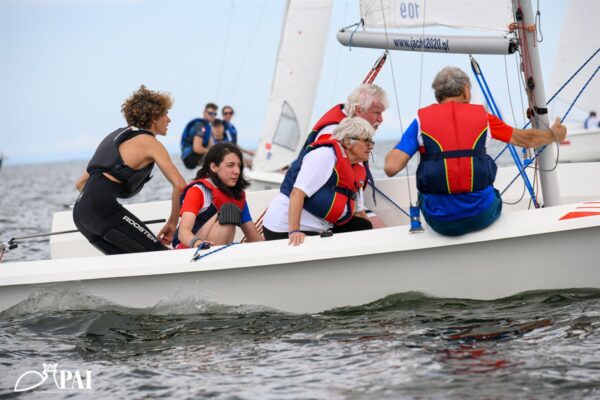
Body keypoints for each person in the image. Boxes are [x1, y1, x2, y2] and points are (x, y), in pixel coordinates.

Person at [384, 66, 567, 236]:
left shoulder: (420, 121)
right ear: (465, 90)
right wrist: (553, 135)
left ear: (438, 96)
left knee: (426, 192)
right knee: (489, 190)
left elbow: (391, 167)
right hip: (482, 215)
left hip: (441, 222)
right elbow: (526, 140)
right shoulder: (484, 118)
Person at [73, 85, 186, 254]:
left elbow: (80, 183)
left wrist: (99, 203)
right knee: (159, 253)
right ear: (154, 117)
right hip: (102, 209)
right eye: (165, 114)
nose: (168, 120)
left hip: (81, 213)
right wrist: (172, 223)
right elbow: (180, 185)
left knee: (128, 263)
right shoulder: (150, 143)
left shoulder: (117, 138)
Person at [262, 117, 375, 246]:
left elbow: (359, 212)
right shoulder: (325, 156)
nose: (370, 146)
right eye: (366, 141)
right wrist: (294, 231)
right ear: (348, 142)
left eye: (371, 142)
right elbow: (297, 193)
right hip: (283, 228)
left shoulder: (355, 168)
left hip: (321, 226)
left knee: (363, 226)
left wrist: (375, 239)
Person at [301, 83, 389, 228]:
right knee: (377, 230)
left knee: (380, 228)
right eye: (376, 113)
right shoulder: (334, 133)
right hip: (322, 208)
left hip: (345, 202)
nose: (381, 119)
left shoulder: (353, 129)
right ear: (358, 110)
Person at [173, 143, 263, 248]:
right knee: (229, 211)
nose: (237, 171)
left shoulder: (237, 196)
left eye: (239, 166)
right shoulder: (198, 191)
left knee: (231, 209)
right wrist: (199, 244)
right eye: (230, 165)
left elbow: (254, 238)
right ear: (214, 167)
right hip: (189, 250)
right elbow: (183, 233)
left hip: (216, 250)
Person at [180, 102, 218, 169]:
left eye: (214, 114)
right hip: (190, 158)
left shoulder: (207, 126)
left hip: (194, 157)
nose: (212, 116)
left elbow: (211, 145)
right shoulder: (200, 125)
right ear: (204, 112)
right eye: (210, 113)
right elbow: (197, 148)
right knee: (219, 157)